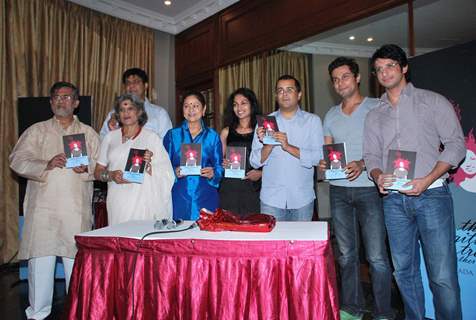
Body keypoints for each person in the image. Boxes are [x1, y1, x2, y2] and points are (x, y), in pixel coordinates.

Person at [363, 44, 465, 320]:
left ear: (404, 67)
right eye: (379, 69)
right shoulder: (374, 114)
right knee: (403, 271)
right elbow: (371, 155)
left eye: (390, 66)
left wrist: (428, 178)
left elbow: (457, 146)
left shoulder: (433, 102)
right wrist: (376, 176)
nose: (384, 73)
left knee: (442, 275)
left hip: (431, 196)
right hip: (393, 200)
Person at [9, 81, 100, 320]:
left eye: (67, 97)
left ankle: (76, 311)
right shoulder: (36, 131)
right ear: (51, 102)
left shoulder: (89, 134)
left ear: (77, 103)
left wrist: (87, 168)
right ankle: (37, 313)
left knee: (75, 265)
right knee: (41, 263)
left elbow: (102, 167)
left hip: (75, 208)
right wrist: (45, 164)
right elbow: (17, 160)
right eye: (57, 97)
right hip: (43, 209)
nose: (62, 101)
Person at [320, 57, 394, 320]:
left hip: (370, 188)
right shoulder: (330, 115)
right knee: (346, 255)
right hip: (338, 191)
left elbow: (389, 147)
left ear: (358, 78)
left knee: (376, 256)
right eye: (336, 79)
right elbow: (328, 153)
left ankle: (383, 311)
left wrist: (363, 163)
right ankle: (352, 307)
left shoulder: (378, 106)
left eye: (345, 76)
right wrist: (323, 164)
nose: (340, 82)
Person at [250, 75, 323, 221]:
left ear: (299, 94)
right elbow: (254, 162)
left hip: (302, 198)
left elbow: (318, 157)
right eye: (280, 90)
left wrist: (288, 147)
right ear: (276, 95)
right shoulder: (265, 123)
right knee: (272, 244)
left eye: (289, 90)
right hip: (271, 199)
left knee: (300, 244)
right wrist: (268, 145)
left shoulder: (312, 121)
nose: (284, 94)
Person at [95, 94, 174, 225]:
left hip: (144, 202)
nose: (126, 113)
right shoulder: (110, 138)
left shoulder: (151, 138)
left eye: (130, 108)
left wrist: (149, 165)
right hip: (117, 201)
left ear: (139, 112)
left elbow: (167, 174)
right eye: (121, 109)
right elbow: (97, 172)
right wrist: (111, 175)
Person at [163, 91, 223, 220]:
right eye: (186, 106)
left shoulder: (212, 136)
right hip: (179, 196)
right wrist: (174, 172)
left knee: (205, 236)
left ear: (204, 109)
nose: (191, 110)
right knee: (179, 237)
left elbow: (219, 167)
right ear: (182, 110)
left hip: (205, 195)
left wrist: (213, 173)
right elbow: (162, 166)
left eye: (195, 105)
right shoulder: (172, 135)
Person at [219, 88, 262, 216]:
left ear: (252, 105)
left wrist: (261, 174)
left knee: (253, 229)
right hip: (230, 188)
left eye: (243, 103)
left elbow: (273, 160)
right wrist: (223, 163)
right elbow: (218, 162)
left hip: (254, 188)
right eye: (235, 104)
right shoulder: (226, 132)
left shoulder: (261, 131)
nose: (239, 108)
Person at [99, 67, 172, 139]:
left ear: (145, 85)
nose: (131, 85)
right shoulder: (114, 113)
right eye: (128, 83)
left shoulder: (159, 114)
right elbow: (102, 139)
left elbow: (167, 143)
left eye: (136, 82)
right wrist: (112, 130)